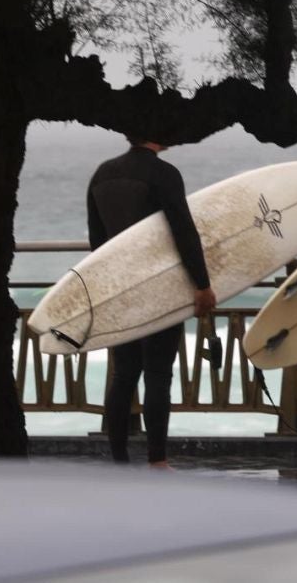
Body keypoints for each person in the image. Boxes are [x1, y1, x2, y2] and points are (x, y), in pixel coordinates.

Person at [91, 136, 216, 467]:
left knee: (124, 373)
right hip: (160, 286)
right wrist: (202, 284)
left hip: (119, 287)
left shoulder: (102, 174)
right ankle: (157, 459)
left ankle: (118, 459)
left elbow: (96, 242)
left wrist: (106, 286)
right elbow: (183, 231)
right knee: (158, 374)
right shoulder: (164, 174)